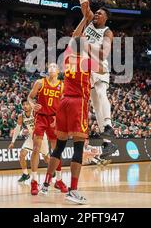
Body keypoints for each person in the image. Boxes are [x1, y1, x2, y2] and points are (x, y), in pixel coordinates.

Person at [39, 11, 97, 204]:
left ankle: (46, 184)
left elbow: (74, 36)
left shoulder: (66, 59)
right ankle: (73, 190)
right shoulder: (88, 61)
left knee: (60, 146)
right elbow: (104, 69)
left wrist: (85, 19)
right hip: (77, 103)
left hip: (63, 103)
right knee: (78, 147)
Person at [75, 0, 118, 159]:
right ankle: (108, 144)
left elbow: (105, 53)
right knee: (95, 104)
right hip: (85, 68)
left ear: (105, 18)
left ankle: (108, 125)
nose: (96, 14)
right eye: (97, 12)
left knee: (101, 94)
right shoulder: (89, 20)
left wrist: (86, 45)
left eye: (100, 13)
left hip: (98, 65)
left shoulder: (107, 32)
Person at [27, 63, 68, 195]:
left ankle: (59, 180)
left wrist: (60, 117)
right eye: (49, 67)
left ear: (58, 71)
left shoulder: (62, 85)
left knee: (57, 150)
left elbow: (64, 104)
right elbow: (30, 97)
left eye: (54, 66)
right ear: (47, 70)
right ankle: (34, 181)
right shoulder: (40, 82)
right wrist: (32, 105)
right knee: (36, 148)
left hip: (54, 119)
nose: (51, 68)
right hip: (41, 118)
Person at [8, 101, 50, 183]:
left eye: (27, 104)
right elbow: (17, 129)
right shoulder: (21, 116)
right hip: (31, 136)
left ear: (31, 105)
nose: (25, 106)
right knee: (22, 154)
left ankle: (52, 170)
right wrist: (13, 142)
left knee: (46, 158)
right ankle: (25, 174)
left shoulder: (36, 113)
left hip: (41, 135)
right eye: (23, 105)